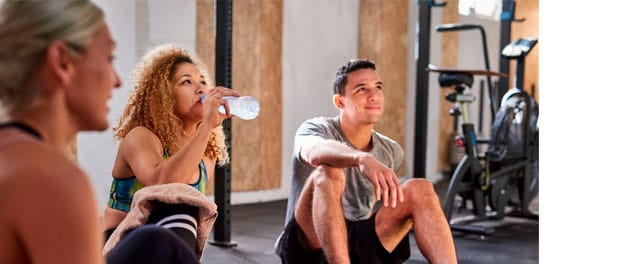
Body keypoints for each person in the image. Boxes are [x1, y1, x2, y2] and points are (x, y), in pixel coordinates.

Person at [0, 1, 205, 263]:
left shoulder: (13, 153)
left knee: (156, 240)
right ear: (62, 62)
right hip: (114, 232)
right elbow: (161, 182)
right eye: (108, 59)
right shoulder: (52, 179)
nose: (116, 80)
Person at [275, 59, 458, 264]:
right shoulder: (315, 128)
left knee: (420, 188)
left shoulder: (390, 151)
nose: (373, 96)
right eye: (362, 89)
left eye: (378, 87)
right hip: (307, 244)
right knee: (329, 172)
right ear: (340, 102)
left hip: (356, 242)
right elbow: (315, 151)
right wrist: (361, 158)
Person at [101, 43, 239, 242]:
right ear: (163, 95)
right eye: (186, 82)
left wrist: (206, 129)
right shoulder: (140, 136)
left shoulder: (207, 151)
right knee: (179, 209)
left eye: (202, 81)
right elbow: (163, 185)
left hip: (167, 245)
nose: (200, 88)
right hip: (118, 245)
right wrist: (207, 125)